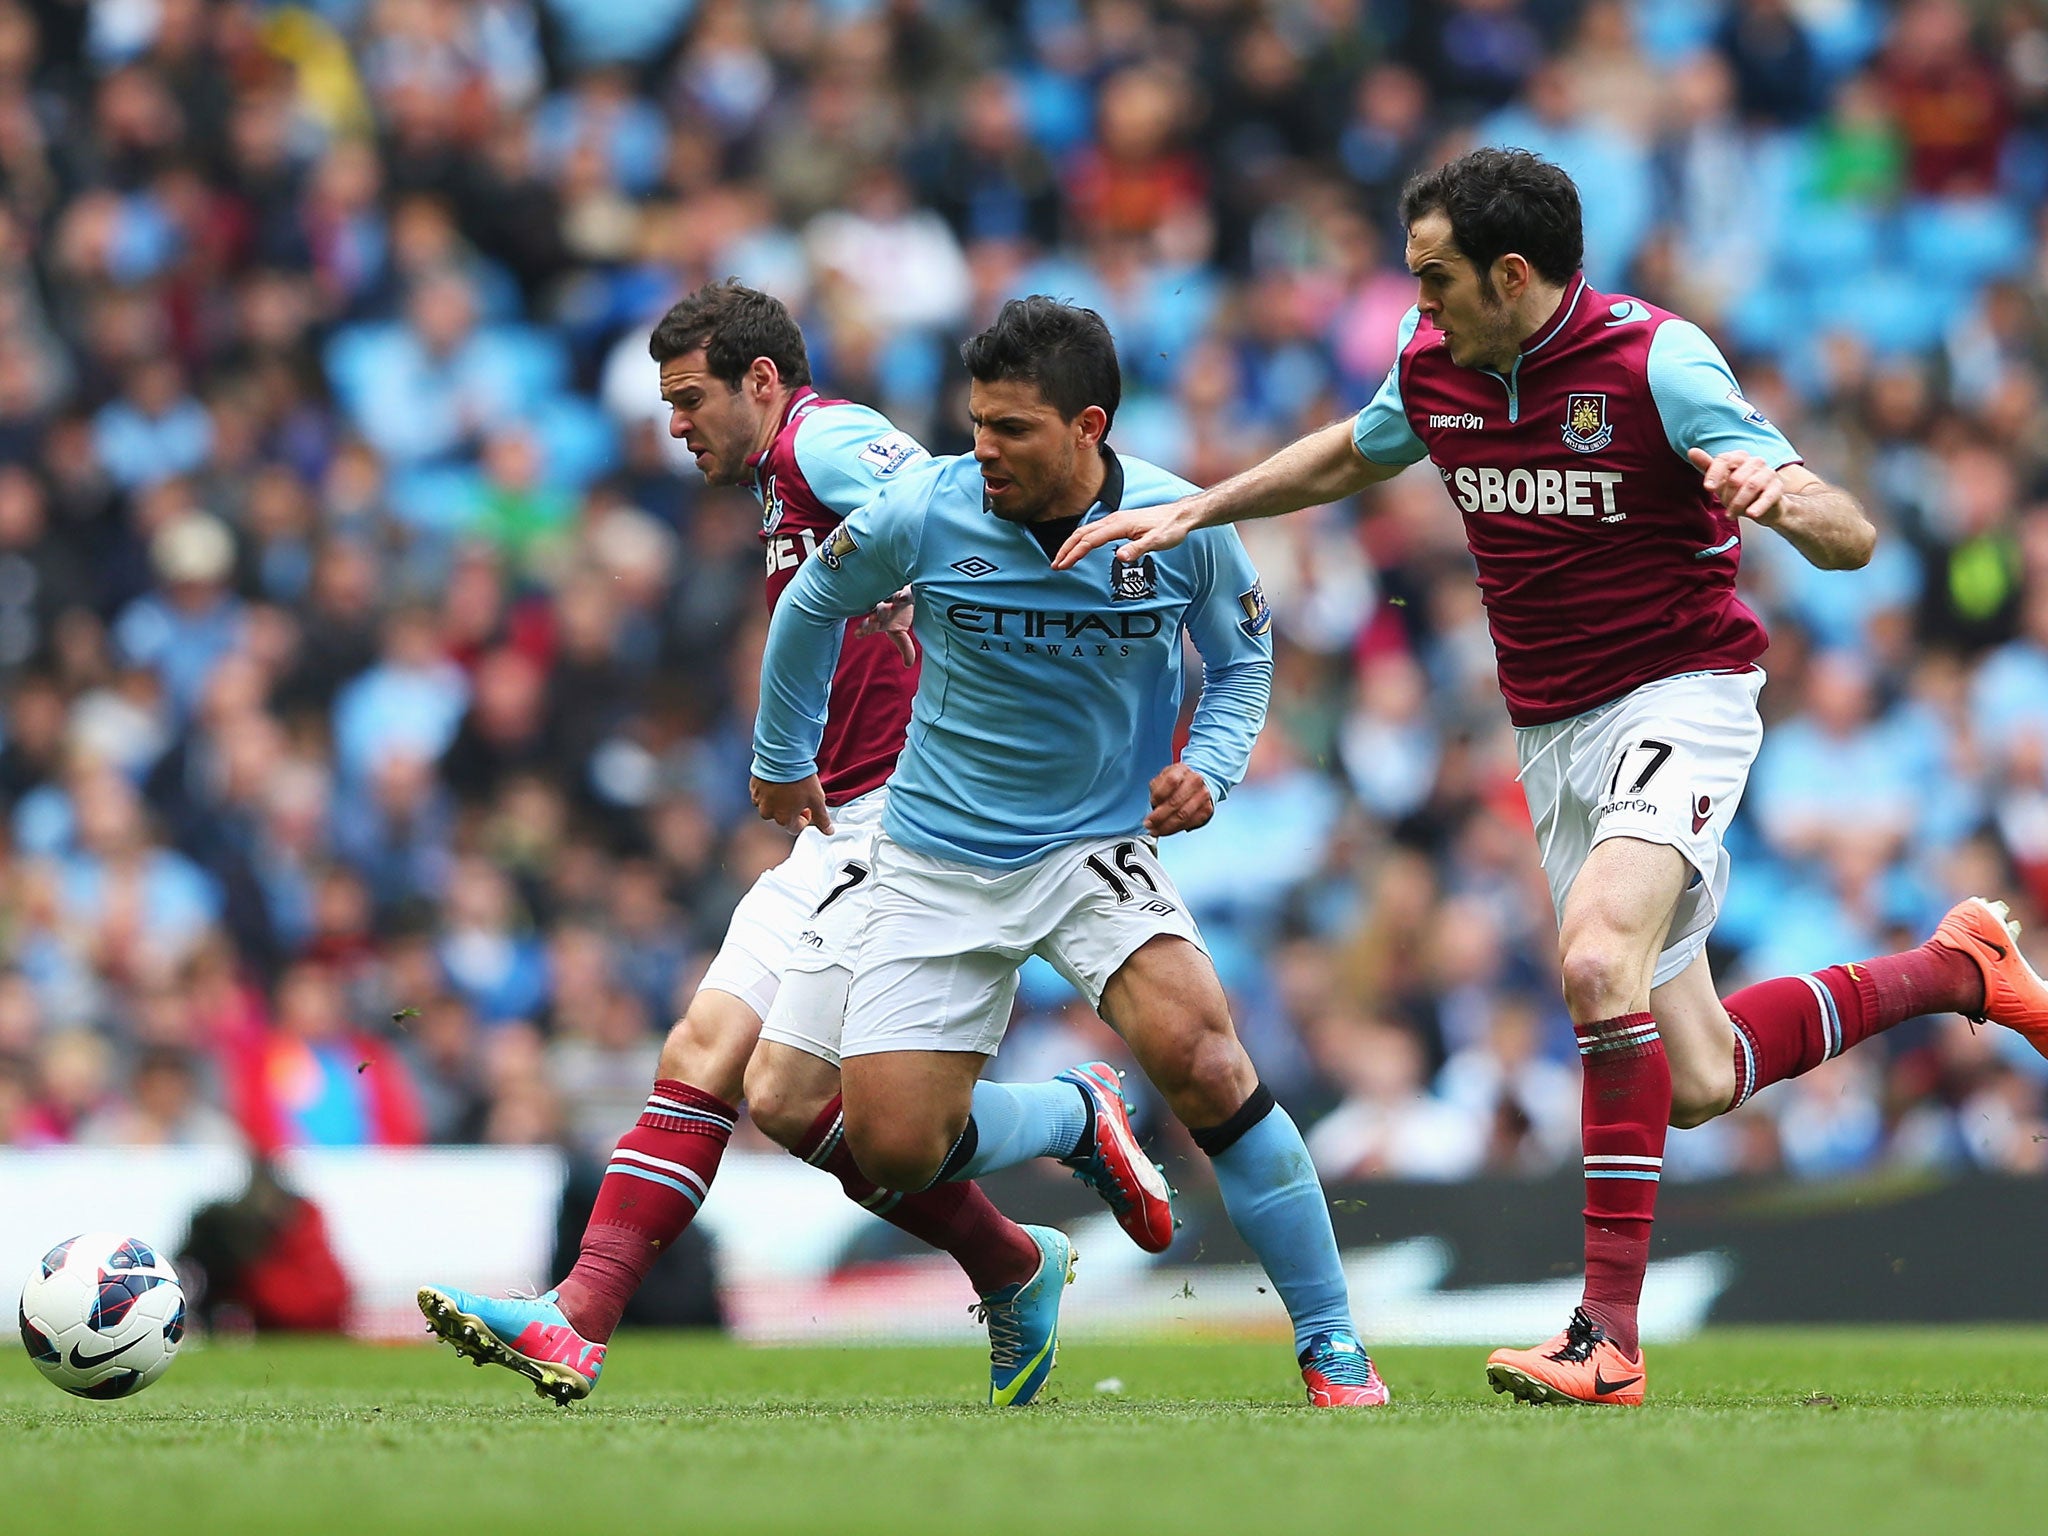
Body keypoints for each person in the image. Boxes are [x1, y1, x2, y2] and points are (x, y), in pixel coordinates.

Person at [1052, 147, 2048, 1406]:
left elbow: (1845, 537)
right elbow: (1353, 452)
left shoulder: (1654, 361)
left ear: (1509, 275)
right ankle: (1957, 968)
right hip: (1553, 735)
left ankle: (1604, 1341)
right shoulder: (1435, 367)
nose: (1415, 309)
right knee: (1690, 1079)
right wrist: (1197, 510)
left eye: (1433, 281)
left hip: (1680, 695)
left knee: (1590, 965)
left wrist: (1778, 496)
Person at [419, 282, 1171, 1410]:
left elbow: (941, 501)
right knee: (717, 1058)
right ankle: (589, 1320)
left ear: (760, 382)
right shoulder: (782, 482)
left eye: (689, 400)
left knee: (786, 1093)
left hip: (909, 819)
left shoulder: (823, 437)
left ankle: (1068, 1124)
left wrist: (939, 590)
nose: (675, 427)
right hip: (836, 823)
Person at [748, 296, 1389, 1408]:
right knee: (895, 1149)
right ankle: (1069, 1115)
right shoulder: (923, 510)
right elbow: (812, 601)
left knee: (1203, 1060)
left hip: (1093, 846)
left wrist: (1214, 767)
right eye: (976, 422)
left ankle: (1332, 1344)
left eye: (1010, 428)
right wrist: (782, 753)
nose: (981, 449)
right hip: (936, 852)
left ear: (1087, 425)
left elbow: (1239, 663)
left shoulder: (1179, 521)